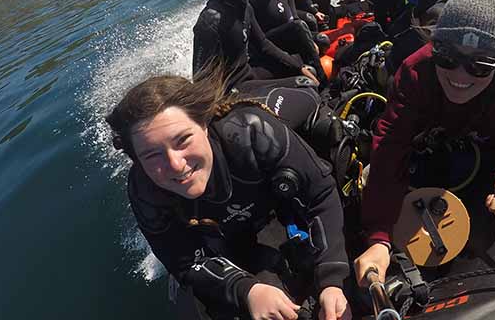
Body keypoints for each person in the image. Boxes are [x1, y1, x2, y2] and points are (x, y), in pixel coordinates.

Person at [353, 0, 495, 285]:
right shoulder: (415, 73)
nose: (460, 76)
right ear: (435, 49)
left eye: (481, 65)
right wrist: (379, 237)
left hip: (487, 150)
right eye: (447, 58)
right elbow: (389, 149)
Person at [106, 71, 352, 320]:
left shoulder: (252, 133)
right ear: (137, 160)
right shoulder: (144, 190)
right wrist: (247, 291)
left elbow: (321, 193)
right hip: (230, 233)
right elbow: (181, 261)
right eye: (152, 155)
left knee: (321, 121)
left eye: (182, 140)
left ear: (203, 124)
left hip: (276, 193)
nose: (176, 165)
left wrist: (332, 279)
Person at [193, 0, 319, 90]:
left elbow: (264, 44)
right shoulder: (211, 20)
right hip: (232, 89)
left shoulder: (245, 7)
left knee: (305, 66)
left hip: (249, 73)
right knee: (305, 85)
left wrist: (298, 67)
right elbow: (200, 79)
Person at [251, 0, 325, 77]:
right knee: (298, 27)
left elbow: (294, 18)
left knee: (323, 40)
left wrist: (310, 42)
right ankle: (323, 80)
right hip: (270, 42)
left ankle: (310, 60)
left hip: (289, 37)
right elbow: (257, 39)